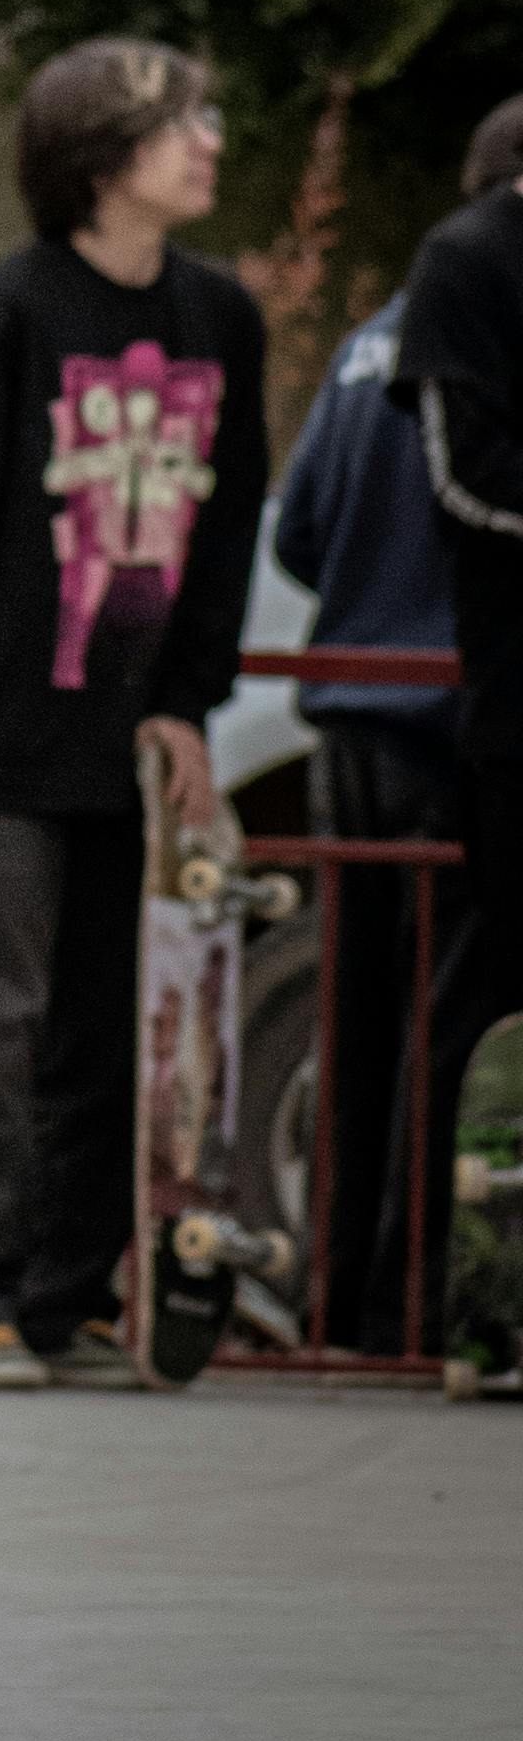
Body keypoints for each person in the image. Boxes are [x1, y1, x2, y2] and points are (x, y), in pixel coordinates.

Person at [0, 36, 269, 1390]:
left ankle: (69, 1293)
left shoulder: (224, 321)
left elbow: (227, 536)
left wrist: (188, 705)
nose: (208, 144)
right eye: (179, 126)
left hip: (128, 732)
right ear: (101, 162)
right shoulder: (9, 314)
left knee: (107, 1024)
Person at [269, 168, 482, 1348]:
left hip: (344, 722)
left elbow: (299, 531)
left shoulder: (364, 346)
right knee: (442, 1027)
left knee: (349, 1025)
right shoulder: (485, 339)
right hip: (450, 727)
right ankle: (414, 1301)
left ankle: (334, 1303)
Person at [383, 88, 523, 1346]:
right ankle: (427, 1285)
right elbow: (463, 478)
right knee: (486, 989)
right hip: (516, 704)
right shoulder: (470, 258)